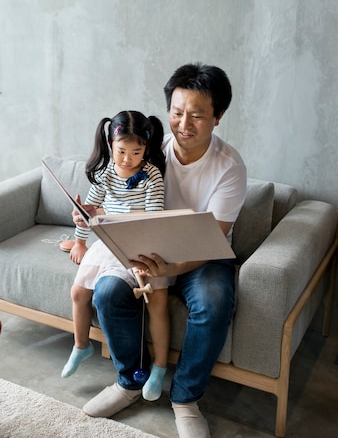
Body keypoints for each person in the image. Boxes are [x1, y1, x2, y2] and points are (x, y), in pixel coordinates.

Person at [77, 63, 247, 438]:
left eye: (197, 115)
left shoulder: (229, 166)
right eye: (177, 112)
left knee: (215, 299)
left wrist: (168, 266)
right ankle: (129, 381)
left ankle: (185, 398)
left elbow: (213, 239)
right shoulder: (151, 151)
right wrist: (93, 215)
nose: (184, 123)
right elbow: (120, 198)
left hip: (204, 255)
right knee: (107, 291)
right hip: (149, 251)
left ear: (218, 117)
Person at [61, 110, 171, 402]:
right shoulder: (106, 173)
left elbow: (154, 218)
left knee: (157, 302)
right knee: (78, 292)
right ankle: (81, 344)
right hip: (109, 244)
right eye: (121, 151)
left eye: (136, 152)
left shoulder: (152, 175)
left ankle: (159, 367)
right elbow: (88, 212)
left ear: (146, 148)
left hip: (144, 245)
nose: (127, 159)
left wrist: (146, 255)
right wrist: (80, 240)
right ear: (111, 145)